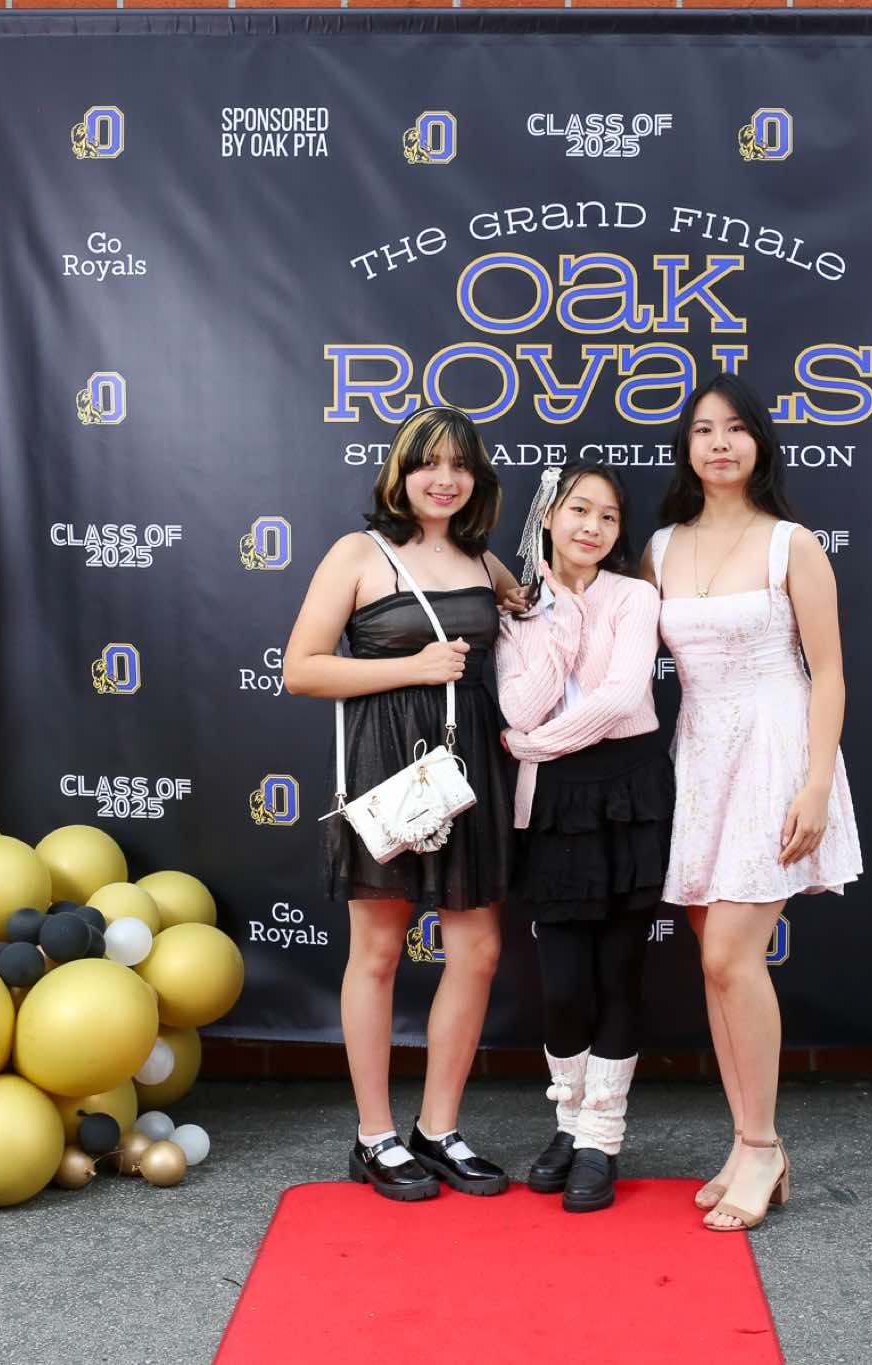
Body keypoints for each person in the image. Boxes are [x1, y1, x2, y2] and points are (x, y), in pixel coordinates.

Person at [283, 406, 526, 1201]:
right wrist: (414, 667)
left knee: (477, 950)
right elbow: (301, 669)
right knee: (379, 952)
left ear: (477, 478)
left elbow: (530, 613)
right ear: (401, 471)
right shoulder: (359, 553)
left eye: (460, 465)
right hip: (387, 766)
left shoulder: (482, 559)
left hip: (469, 765)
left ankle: (439, 1128)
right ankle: (375, 1136)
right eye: (429, 463)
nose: (444, 479)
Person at [644, 374, 864, 1231]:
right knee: (715, 961)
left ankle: (764, 1142)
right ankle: (745, 1142)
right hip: (701, 757)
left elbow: (829, 672)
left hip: (777, 752)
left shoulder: (792, 545)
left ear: (760, 443)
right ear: (687, 448)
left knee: (733, 954)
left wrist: (817, 781)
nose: (720, 443)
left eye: (736, 428)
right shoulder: (661, 547)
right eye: (704, 430)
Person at [495, 463, 673, 1213]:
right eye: (578, 510)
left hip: (628, 790)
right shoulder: (516, 611)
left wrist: (531, 746)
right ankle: (568, 1123)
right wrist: (559, 624)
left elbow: (623, 696)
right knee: (563, 984)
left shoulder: (635, 596)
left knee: (618, 973)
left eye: (607, 516)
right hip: (553, 805)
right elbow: (519, 704)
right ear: (549, 517)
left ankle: (602, 1138)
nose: (592, 527)